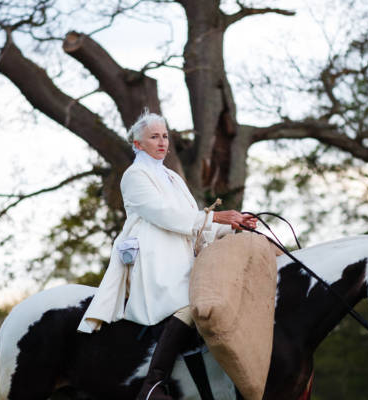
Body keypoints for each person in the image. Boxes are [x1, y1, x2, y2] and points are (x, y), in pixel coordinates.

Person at [77, 109, 257, 400]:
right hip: (154, 255)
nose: (162, 142)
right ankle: (153, 383)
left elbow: (191, 220)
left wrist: (232, 226)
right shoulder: (134, 175)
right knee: (188, 303)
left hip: (183, 251)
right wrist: (217, 218)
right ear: (138, 144)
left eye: (164, 136)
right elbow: (165, 216)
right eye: (154, 137)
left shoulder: (172, 176)